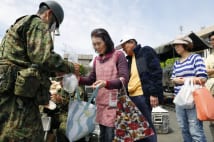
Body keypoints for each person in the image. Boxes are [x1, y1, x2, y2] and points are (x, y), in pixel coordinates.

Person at [0, 1, 79, 142]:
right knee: (25, 135)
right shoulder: (38, 24)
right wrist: (71, 67)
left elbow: (33, 61)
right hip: (18, 98)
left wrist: (55, 72)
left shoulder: (20, 24)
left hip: (9, 91)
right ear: (49, 14)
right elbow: (44, 58)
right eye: (54, 25)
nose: (51, 29)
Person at [79, 28, 129, 142]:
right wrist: (78, 79)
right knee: (102, 136)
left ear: (106, 41)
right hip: (101, 103)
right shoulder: (97, 59)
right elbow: (91, 78)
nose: (96, 47)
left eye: (99, 43)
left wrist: (106, 83)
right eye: (94, 44)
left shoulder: (118, 55)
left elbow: (124, 78)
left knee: (111, 136)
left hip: (115, 105)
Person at [116, 35, 163, 142]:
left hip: (142, 96)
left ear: (132, 43)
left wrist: (154, 93)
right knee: (136, 129)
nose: (123, 50)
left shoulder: (145, 51)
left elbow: (156, 71)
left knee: (147, 127)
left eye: (124, 47)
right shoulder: (129, 61)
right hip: (131, 98)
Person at [171, 36, 207, 142]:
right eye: (175, 45)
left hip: (193, 99)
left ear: (186, 45)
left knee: (195, 130)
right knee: (184, 129)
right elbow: (173, 78)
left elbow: (203, 78)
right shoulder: (176, 63)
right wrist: (175, 80)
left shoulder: (195, 58)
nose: (176, 47)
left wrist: (182, 80)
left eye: (178, 44)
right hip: (179, 99)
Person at [204, 31, 214, 141]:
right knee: (212, 119)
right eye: (211, 40)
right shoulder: (209, 57)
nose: (213, 42)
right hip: (211, 89)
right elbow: (205, 71)